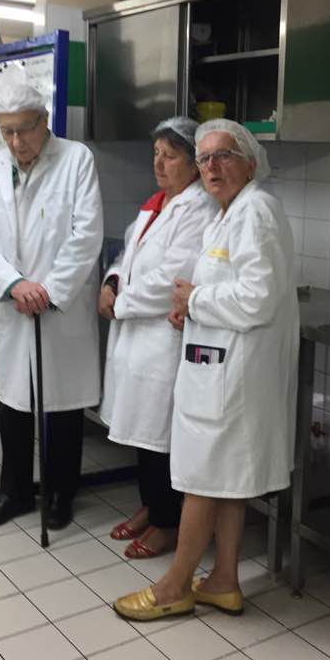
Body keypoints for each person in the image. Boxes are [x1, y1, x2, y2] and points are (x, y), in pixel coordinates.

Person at [114, 119, 298, 620]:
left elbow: (257, 298)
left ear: (250, 163)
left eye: (224, 156)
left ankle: (174, 587)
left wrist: (195, 301)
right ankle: (223, 581)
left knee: (201, 479)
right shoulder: (228, 213)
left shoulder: (255, 211)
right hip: (222, 370)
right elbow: (225, 286)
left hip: (232, 376)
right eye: (204, 158)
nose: (212, 166)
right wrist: (191, 308)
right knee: (227, 481)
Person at [0, 82, 103, 531]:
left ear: (45, 121)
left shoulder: (76, 160)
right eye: (6, 131)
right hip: (14, 304)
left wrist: (49, 290)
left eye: (25, 129)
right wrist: (15, 285)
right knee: (14, 405)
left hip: (59, 306)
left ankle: (61, 494)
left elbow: (87, 236)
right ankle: (15, 492)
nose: (16, 141)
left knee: (61, 406)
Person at [99, 117, 217, 558]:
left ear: (193, 164)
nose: (159, 164)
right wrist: (111, 281)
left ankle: (167, 522)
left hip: (162, 341)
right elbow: (127, 256)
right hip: (136, 337)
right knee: (141, 434)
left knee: (161, 437)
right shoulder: (156, 205)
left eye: (170, 156)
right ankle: (151, 507)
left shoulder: (199, 209)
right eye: (156, 154)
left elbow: (172, 276)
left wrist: (121, 303)